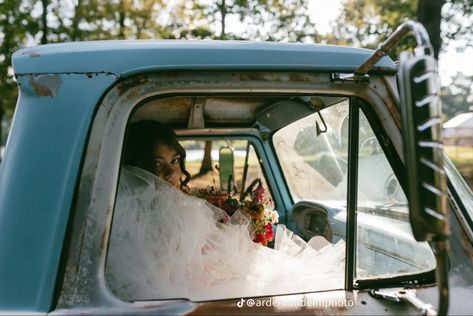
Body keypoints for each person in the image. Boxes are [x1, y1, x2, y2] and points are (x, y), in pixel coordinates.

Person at [106, 120, 345, 301]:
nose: (170, 173)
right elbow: (176, 273)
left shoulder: (182, 208)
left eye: (175, 161)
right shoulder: (129, 219)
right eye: (156, 164)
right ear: (133, 167)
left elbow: (209, 253)